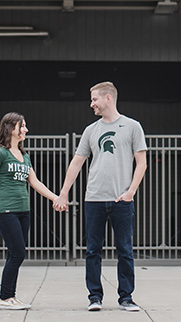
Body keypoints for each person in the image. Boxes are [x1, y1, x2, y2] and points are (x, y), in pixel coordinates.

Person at [54, 81, 147, 312]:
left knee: (124, 249)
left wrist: (131, 192)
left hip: (121, 200)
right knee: (93, 250)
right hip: (93, 198)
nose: (91, 104)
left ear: (108, 98)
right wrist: (63, 193)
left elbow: (142, 163)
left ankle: (126, 298)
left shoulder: (133, 126)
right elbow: (77, 163)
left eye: (94, 99)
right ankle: (94, 297)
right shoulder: (91, 130)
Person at [0, 112, 62, 310]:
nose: (26, 129)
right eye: (22, 126)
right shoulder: (0, 153)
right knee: (18, 253)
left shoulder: (24, 155)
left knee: (14, 254)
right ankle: (4, 298)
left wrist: (56, 198)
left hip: (23, 211)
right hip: (6, 210)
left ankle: (10, 296)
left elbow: (34, 182)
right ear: (10, 128)